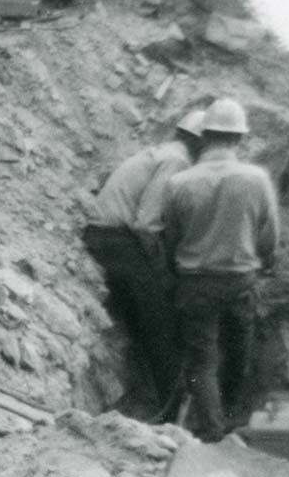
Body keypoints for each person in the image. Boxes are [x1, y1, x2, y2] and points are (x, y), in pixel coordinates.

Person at [161, 98, 279, 441]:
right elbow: (269, 235)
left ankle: (211, 432)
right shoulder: (257, 180)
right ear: (239, 139)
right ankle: (229, 423)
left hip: (195, 283)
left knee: (202, 361)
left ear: (204, 135)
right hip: (240, 280)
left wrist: (176, 272)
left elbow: (171, 238)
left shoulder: (180, 183)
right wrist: (265, 264)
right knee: (238, 354)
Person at [82, 110, 206, 411]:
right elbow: (146, 224)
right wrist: (162, 267)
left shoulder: (160, 152)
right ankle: (171, 405)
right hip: (115, 239)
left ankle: (153, 394)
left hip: (101, 235)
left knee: (147, 312)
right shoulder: (178, 162)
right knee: (162, 318)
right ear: (202, 144)